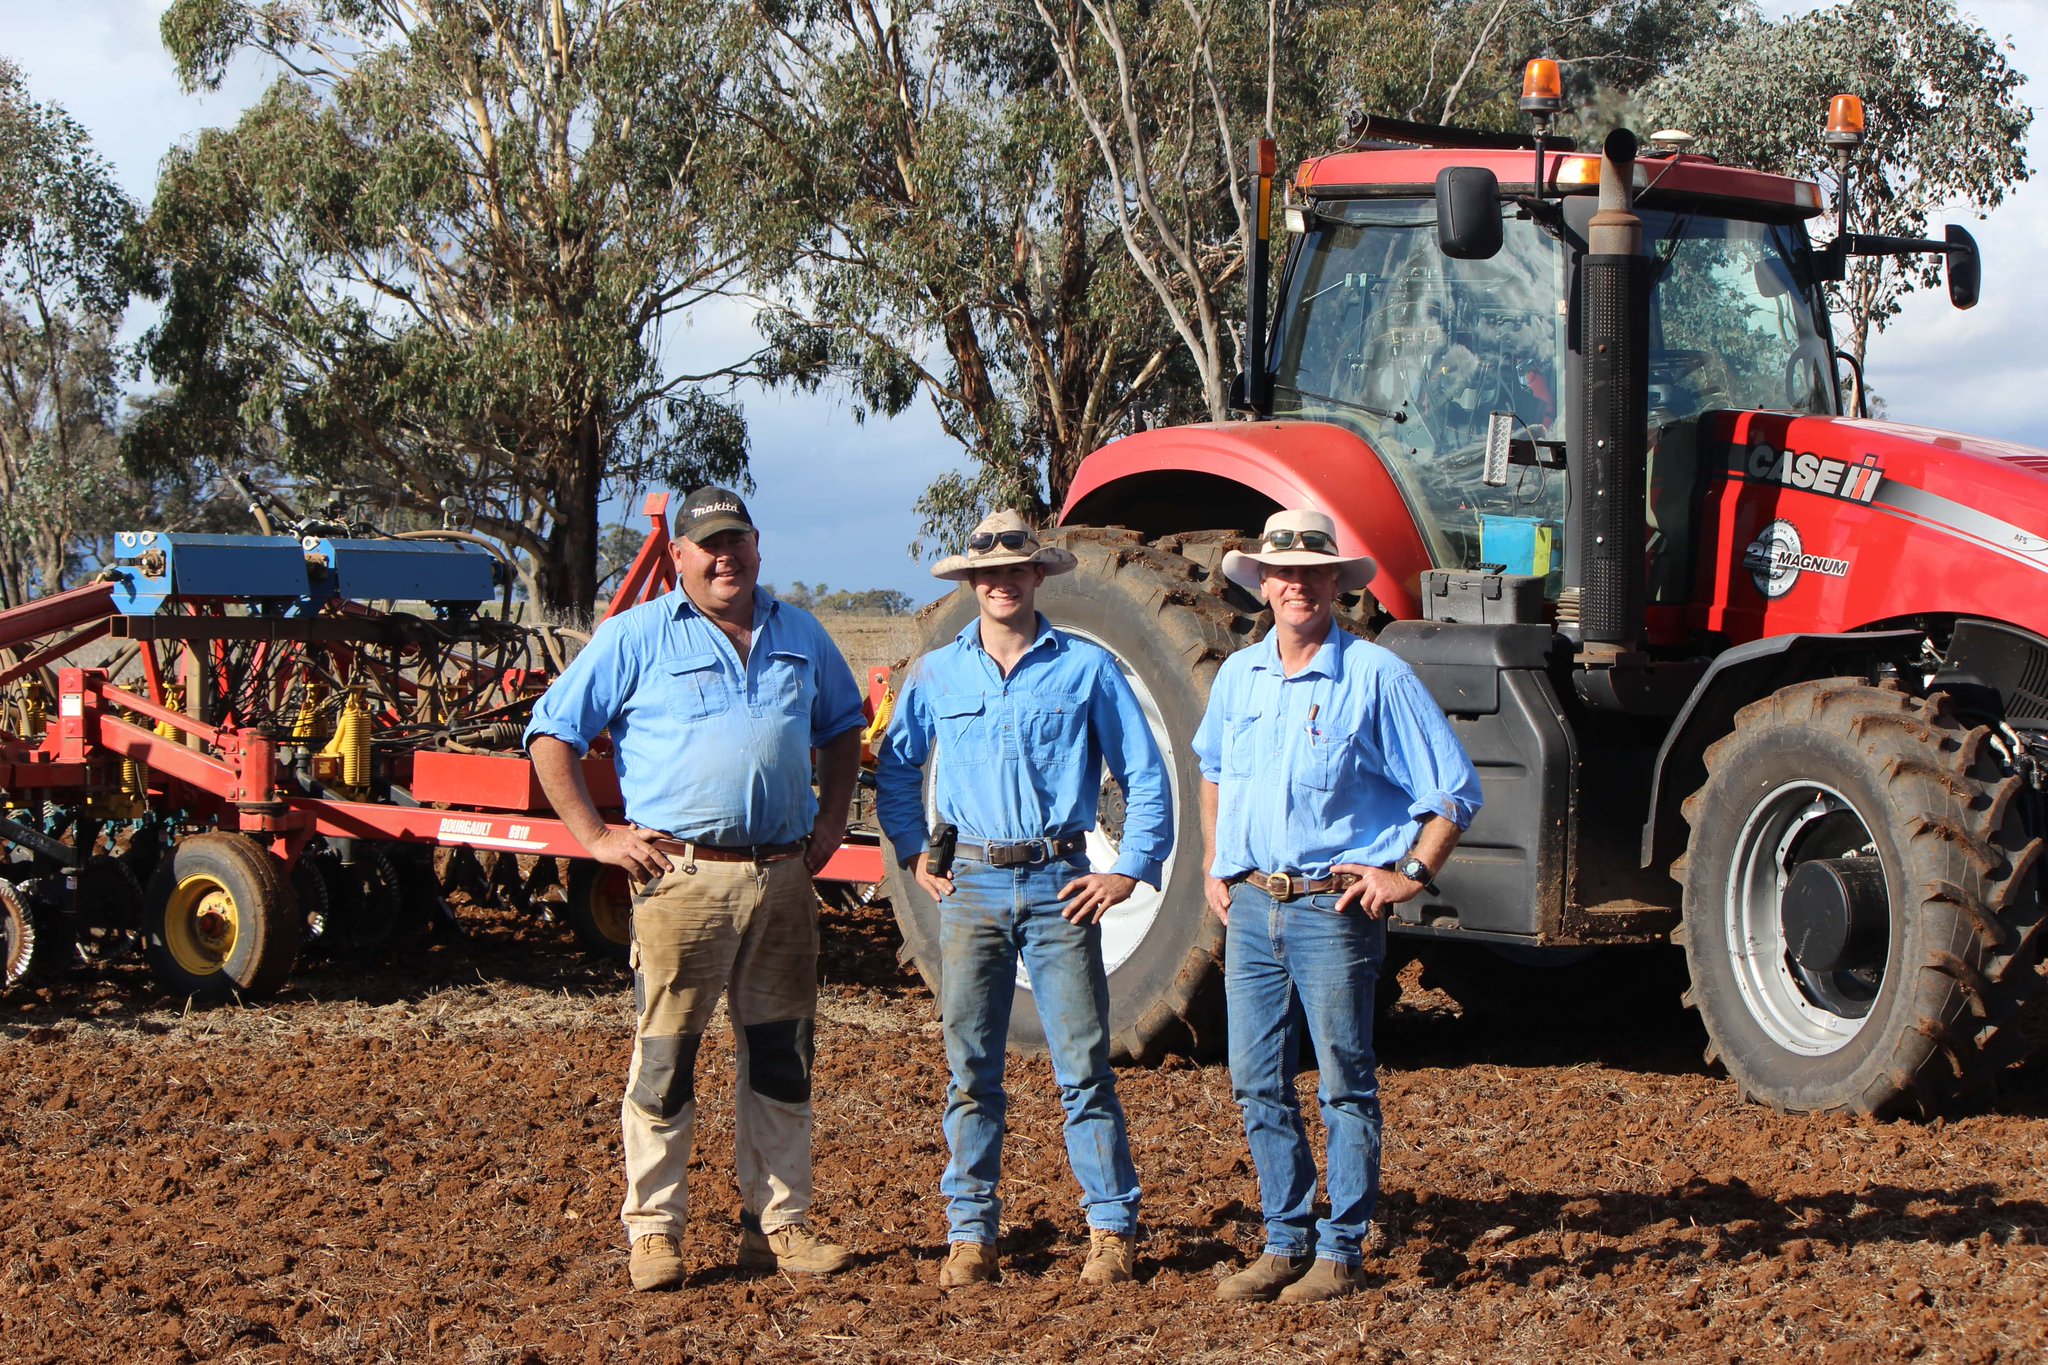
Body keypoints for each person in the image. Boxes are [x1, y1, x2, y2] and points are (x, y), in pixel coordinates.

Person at [524, 486, 866, 1292]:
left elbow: (843, 723)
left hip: (783, 878)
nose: (725, 557)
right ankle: (654, 1231)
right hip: (681, 879)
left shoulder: (799, 633)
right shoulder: (637, 636)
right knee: (666, 1060)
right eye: (707, 544)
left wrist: (829, 825)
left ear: (758, 546)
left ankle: (778, 1228)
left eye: (736, 541)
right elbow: (551, 732)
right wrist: (599, 838)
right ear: (677, 556)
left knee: (781, 1059)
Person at [875, 510, 1173, 1288]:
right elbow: (897, 766)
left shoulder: (1086, 668)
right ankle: (970, 1233)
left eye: (1015, 568)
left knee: (1083, 1067)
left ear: (1038, 575)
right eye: (987, 573)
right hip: (968, 887)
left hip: (1058, 883)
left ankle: (1110, 1229)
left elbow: (1145, 774)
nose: (1001, 582)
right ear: (972, 584)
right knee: (971, 1068)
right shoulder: (938, 673)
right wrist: (912, 850)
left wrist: (1129, 868)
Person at [1192, 509, 1482, 1304]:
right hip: (1252, 909)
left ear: (1333, 585)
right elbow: (1212, 769)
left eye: (1313, 573)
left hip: (1333, 911)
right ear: (1263, 583)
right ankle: (1284, 1240)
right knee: (1256, 1080)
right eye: (1282, 572)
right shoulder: (1238, 677)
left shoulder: (1376, 676)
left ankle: (1342, 1248)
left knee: (1344, 1084)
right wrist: (1217, 863)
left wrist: (1409, 873)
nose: (1297, 585)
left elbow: (1454, 789)